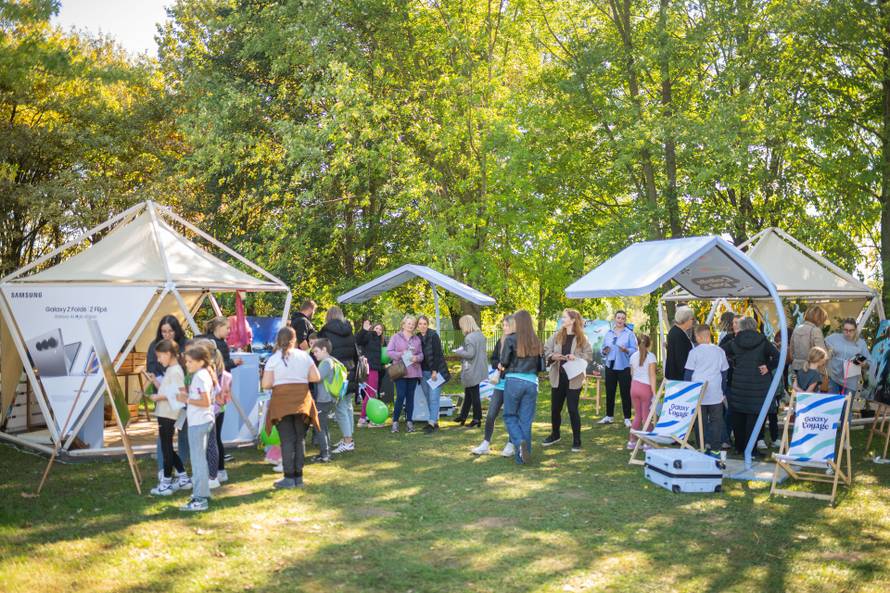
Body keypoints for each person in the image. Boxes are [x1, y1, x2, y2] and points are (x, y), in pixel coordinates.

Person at [262, 326, 321, 488]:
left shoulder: (273, 359)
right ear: (294, 340)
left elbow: (266, 384)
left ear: (278, 341)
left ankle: (289, 478)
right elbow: (316, 377)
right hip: (302, 401)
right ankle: (298, 478)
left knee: (287, 440)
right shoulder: (304, 356)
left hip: (282, 402)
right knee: (299, 439)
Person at [723, 317, 780, 457]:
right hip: (758, 385)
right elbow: (778, 356)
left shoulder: (734, 341)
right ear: (755, 326)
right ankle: (752, 449)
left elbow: (721, 351)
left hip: (739, 384)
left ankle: (739, 447)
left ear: (741, 327)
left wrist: (733, 362)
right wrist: (768, 366)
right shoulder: (763, 341)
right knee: (754, 418)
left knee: (739, 416)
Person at [543, 309, 593, 451]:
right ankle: (555, 434)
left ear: (572, 320)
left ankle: (577, 440)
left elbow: (588, 355)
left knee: (572, 409)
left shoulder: (582, 338)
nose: (562, 319)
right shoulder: (557, 335)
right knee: (555, 409)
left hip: (574, 379)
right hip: (558, 377)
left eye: (564, 317)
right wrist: (553, 356)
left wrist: (576, 357)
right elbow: (546, 350)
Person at [498, 309, 543, 464]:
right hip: (531, 382)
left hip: (514, 381)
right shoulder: (536, 340)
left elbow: (503, 361)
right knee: (526, 420)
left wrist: (501, 367)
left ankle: (518, 441)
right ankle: (522, 457)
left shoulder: (511, 339)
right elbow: (541, 366)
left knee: (509, 416)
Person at [177, 342, 217, 511]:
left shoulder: (200, 376)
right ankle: (203, 493)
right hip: (203, 421)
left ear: (201, 361)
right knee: (199, 460)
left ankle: (199, 499)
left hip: (199, 422)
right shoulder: (203, 374)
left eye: (190, 361)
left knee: (198, 461)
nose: (187, 364)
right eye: (186, 361)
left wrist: (186, 399)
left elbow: (205, 401)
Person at [146, 339, 190, 496]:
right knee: (168, 447)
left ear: (169, 354)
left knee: (166, 448)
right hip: (165, 413)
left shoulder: (176, 370)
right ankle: (183, 478)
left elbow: (181, 394)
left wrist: (159, 398)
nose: (158, 360)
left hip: (169, 414)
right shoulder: (171, 370)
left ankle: (165, 483)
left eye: (159, 356)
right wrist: (156, 384)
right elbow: (169, 390)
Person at [684, 325, 730, 454]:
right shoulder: (719, 351)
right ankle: (716, 449)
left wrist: (688, 392)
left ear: (698, 337)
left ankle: (702, 447)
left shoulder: (693, 352)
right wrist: (723, 390)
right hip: (716, 391)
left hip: (698, 391)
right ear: (709, 335)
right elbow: (725, 372)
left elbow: (688, 373)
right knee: (717, 421)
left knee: (700, 422)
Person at [472, 315, 514, 456]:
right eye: (504, 325)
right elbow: (494, 358)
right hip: (499, 383)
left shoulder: (518, 341)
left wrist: (506, 366)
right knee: (491, 415)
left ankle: (511, 443)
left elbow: (518, 362)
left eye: (507, 325)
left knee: (510, 415)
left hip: (512, 383)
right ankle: (485, 444)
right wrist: (498, 365)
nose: (505, 328)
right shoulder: (501, 341)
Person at [599, 310, 638, 427]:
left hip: (624, 366)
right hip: (610, 366)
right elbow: (602, 349)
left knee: (625, 392)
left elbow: (634, 350)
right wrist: (604, 351)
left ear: (625, 320)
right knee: (610, 391)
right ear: (614, 319)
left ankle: (627, 418)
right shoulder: (609, 333)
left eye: (622, 318)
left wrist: (626, 350)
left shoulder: (629, 333)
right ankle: (609, 416)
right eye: (618, 318)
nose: (620, 320)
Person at [386, 315, 424, 433]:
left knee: (410, 397)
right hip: (400, 371)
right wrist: (400, 354)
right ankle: (395, 422)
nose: (411, 325)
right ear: (403, 324)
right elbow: (389, 352)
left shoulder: (417, 339)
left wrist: (416, 358)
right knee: (401, 396)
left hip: (413, 371)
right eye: (409, 323)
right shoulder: (396, 337)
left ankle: (409, 422)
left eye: (413, 324)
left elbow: (422, 355)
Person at [453, 315, 488, 428]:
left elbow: (470, 354)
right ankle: (463, 416)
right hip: (479, 367)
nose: (461, 327)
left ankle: (477, 418)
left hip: (471, 368)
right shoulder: (480, 335)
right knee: (469, 392)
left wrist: (459, 352)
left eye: (461, 325)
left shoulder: (469, 337)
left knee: (474, 394)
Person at [417, 315, 448, 433]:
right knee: (428, 398)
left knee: (434, 398)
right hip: (423, 373)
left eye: (424, 324)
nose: (422, 326)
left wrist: (434, 371)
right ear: (418, 326)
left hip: (435, 372)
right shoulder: (417, 337)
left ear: (427, 325)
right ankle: (434, 421)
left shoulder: (433, 335)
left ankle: (431, 423)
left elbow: (437, 354)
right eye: (420, 324)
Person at [824, 318, 871, 396]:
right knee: (831, 405)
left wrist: (864, 364)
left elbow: (869, 362)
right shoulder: (834, 337)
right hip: (834, 378)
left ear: (855, 330)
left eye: (851, 330)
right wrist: (827, 354)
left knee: (847, 406)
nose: (848, 333)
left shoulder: (861, 343)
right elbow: (821, 345)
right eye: (845, 330)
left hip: (851, 381)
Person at [317, 306, 358, 394]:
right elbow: (355, 351)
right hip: (349, 368)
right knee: (346, 401)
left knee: (333, 399)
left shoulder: (325, 331)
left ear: (328, 316)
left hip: (333, 369)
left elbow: (321, 352)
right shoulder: (349, 330)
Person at [627, 334, 657, 450]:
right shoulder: (651, 357)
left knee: (638, 415)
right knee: (646, 416)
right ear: (649, 344)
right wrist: (654, 393)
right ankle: (647, 442)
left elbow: (632, 373)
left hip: (634, 387)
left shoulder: (633, 356)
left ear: (637, 344)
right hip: (646, 388)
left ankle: (631, 441)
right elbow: (652, 376)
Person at [310, 338, 338, 462]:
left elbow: (317, 378)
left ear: (324, 350)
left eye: (316, 351)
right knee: (323, 425)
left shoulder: (326, 362)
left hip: (324, 399)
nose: (314, 354)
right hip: (327, 398)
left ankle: (325, 454)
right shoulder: (330, 360)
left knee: (319, 426)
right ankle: (325, 452)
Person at [356, 321, 385, 426]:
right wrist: (364, 329)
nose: (378, 331)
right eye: (377, 328)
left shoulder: (379, 341)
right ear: (372, 328)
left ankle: (364, 418)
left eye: (380, 329)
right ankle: (368, 419)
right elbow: (358, 340)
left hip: (373, 368)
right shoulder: (369, 336)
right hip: (370, 369)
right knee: (371, 393)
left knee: (369, 394)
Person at [790, 306, 827, 372]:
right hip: (810, 368)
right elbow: (821, 353)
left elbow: (791, 350)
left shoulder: (797, 328)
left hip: (796, 366)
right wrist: (830, 352)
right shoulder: (815, 330)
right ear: (820, 319)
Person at [665, 306, 694, 381]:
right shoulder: (678, 334)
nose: (692, 321)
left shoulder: (675, 331)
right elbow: (680, 358)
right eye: (692, 319)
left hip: (675, 375)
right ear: (686, 320)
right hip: (678, 377)